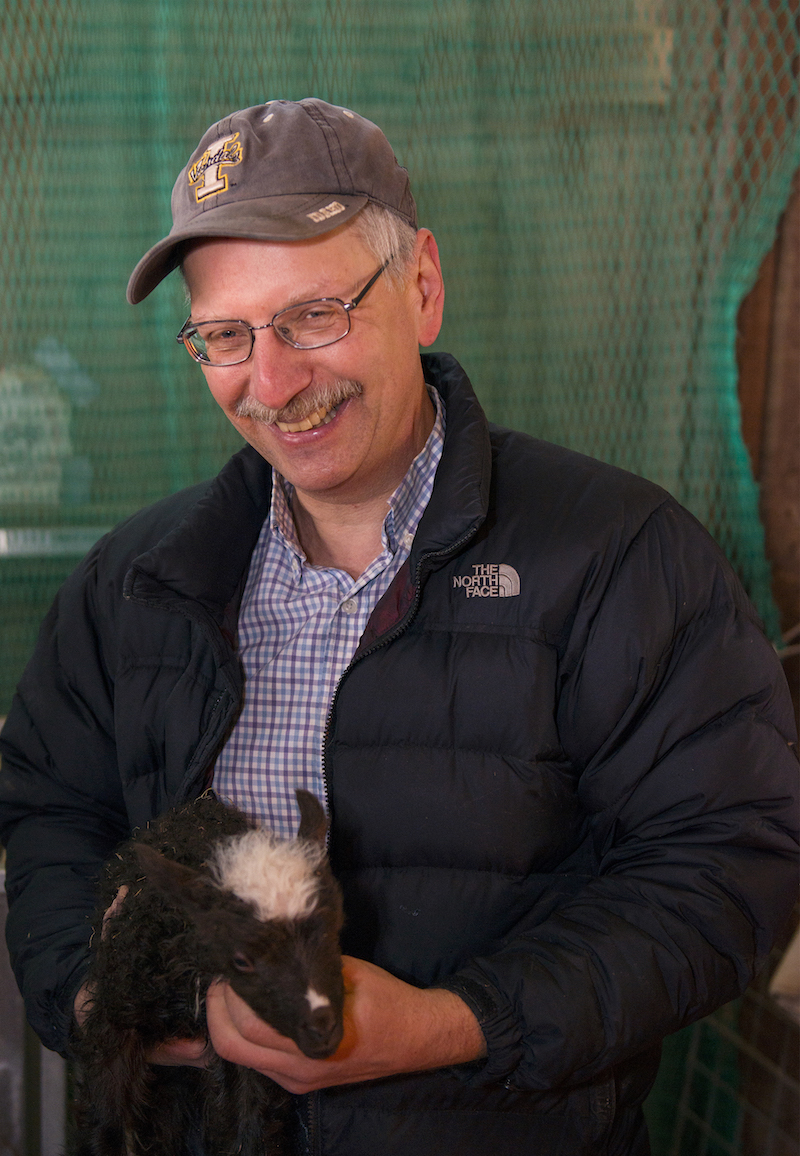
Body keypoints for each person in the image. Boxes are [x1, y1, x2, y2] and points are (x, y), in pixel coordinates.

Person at [0, 99, 797, 1156]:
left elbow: (727, 865)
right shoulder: (135, 580)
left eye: (314, 313)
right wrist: (102, 1002)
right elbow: (52, 811)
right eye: (226, 335)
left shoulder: (620, 556)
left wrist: (449, 1024)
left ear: (421, 286)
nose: (272, 381)